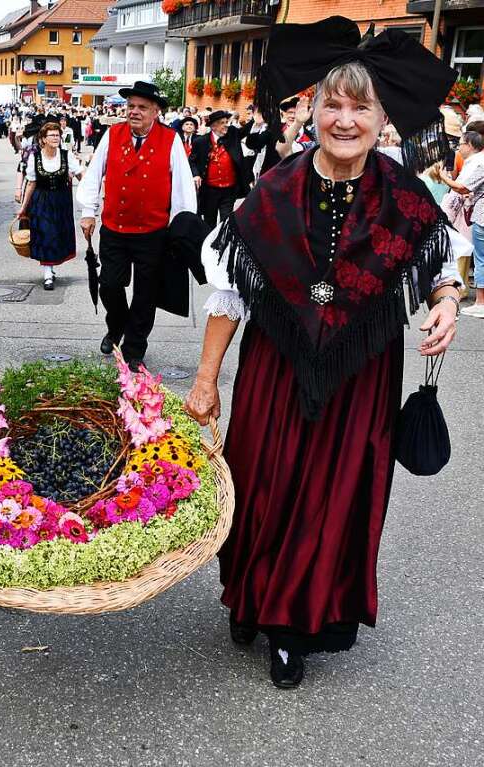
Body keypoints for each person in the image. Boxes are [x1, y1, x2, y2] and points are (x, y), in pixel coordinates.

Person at [184, 19, 464, 689]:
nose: (344, 118)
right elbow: (230, 291)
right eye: (332, 103)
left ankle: (292, 625)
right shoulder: (271, 190)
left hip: (360, 377)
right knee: (260, 487)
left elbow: (441, 255)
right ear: (311, 108)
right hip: (273, 372)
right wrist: (204, 379)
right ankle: (248, 595)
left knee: (330, 497)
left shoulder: (405, 192)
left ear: (378, 115)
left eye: (358, 106)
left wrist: (448, 298)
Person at [77, 80, 197, 369]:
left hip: (152, 233)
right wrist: (88, 211)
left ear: (156, 111)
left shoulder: (171, 140)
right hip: (115, 229)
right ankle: (116, 326)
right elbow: (94, 175)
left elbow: (182, 188)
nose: (134, 111)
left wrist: (181, 229)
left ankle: (134, 347)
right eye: (130, 106)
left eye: (142, 107)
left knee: (146, 293)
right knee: (109, 285)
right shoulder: (112, 134)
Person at [17, 121, 82, 290]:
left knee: (57, 235)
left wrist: (89, 190)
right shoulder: (35, 157)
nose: (56, 138)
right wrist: (23, 207)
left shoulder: (66, 155)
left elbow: (80, 174)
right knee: (46, 233)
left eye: (57, 135)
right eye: (52, 135)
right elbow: (31, 183)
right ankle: (47, 273)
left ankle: (51, 267)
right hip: (41, 201)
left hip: (61, 202)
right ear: (43, 139)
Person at [438, 131, 484, 316]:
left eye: (461, 144)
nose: (459, 148)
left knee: (480, 259)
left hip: (481, 215)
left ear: (471, 145)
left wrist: (444, 177)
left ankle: (481, 302)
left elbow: (462, 187)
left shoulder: (478, 162)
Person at [189, 110, 253, 229]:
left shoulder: (233, 134)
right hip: (210, 190)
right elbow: (192, 161)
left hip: (229, 189)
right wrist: (196, 174)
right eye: (222, 123)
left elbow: (244, 131)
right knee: (209, 221)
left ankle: (222, 244)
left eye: (226, 122)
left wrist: (255, 119)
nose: (226, 125)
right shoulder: (200, 142)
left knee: (226, 221)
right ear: (213, 126)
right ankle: (208, 243)